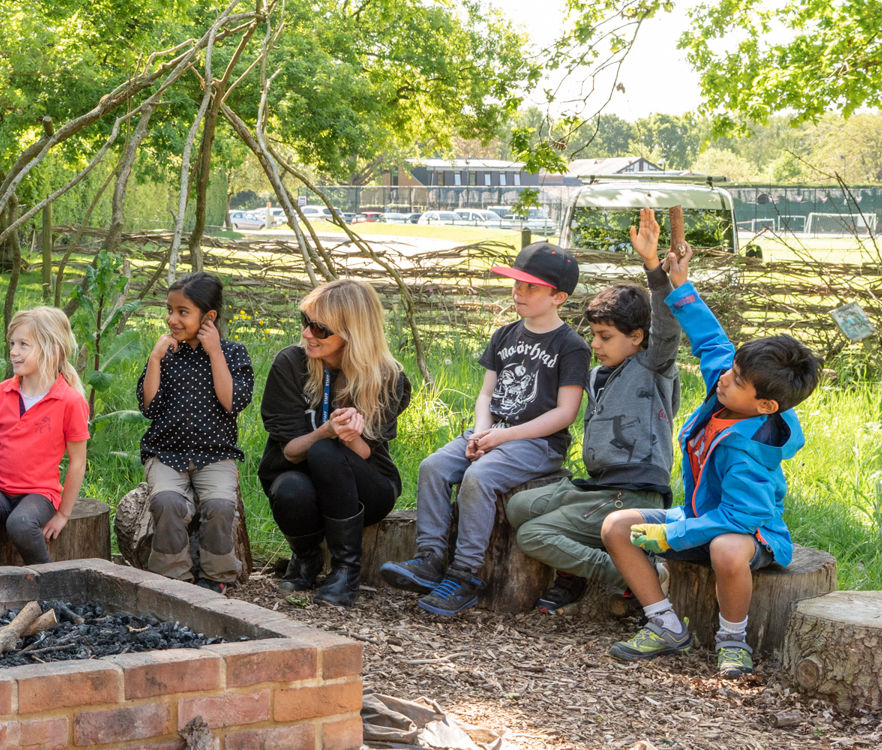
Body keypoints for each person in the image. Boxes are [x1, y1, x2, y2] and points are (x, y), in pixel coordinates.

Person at [598, 232, 821, 679]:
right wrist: (677, 283)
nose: (725, 379)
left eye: (737, 380)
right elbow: (711, 341)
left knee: (726, 549)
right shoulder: (728, 392)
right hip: (697, 516)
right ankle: (664, 624)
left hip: (751, 534)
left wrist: (673, 535)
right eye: (733, 371)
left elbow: (741, 517)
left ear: (765, 407)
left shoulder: (751, 450)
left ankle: (733, 640)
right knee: (617, 526)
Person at [380, 243, 587, 616]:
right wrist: (480, 433)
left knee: (478, 477)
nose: (518, 293)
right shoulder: (505, 335)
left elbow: (565, 413)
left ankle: (464, 576)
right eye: (516, 284)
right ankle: (429, 558)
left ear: (558, 297)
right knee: (433, 467)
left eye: (531, 287)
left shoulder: (570, 346)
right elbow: (486, 394)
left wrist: (501, 438)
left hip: (537, 444)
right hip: (492, 433)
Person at [506, 208, 684, 614]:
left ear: (638, 337)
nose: (597, 345)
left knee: (533, 535)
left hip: (633, 494)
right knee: (518, 507)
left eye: (606, 336)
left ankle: (629, 573)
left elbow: (668, 324)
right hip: (597, 486)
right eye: (594, 336)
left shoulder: (653, 367)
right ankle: (602, 564)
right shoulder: (597, 376)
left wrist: (653, 266)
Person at [258, 279, 412, 606]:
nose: (306, 334)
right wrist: (325, 431)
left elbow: (368, 453)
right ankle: (307, 558)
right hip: (299, 477)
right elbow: (288, 451)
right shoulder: (290, 365)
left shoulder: (386, 376)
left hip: (366, 486)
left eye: (320, 329)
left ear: (352, 333)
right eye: (305, 323)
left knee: (328, 451)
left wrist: (351, 437)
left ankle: (346, 571)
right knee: (296, 480)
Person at [135, 272, 254, 592]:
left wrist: (214, 352)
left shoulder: (233, 354)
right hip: (166, 453)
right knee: (168, 503)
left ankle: (217, 576)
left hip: (216, 454)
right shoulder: (166, 354)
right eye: (169, 310)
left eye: (182, 312)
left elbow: (232, 403)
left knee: (219, 506)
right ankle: (174, 576)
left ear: (209, 317)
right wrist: (154, 358)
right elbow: (148, 406)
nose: (171, 319)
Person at [0, 307, 90, 566]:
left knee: (20, 524)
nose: (13, 351)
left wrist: (63, 514)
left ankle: (47, 584)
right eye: (12, 343)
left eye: (23, 344)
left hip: (39, 493)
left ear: (52, 351)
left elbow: (77, 462)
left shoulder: (70, 401)